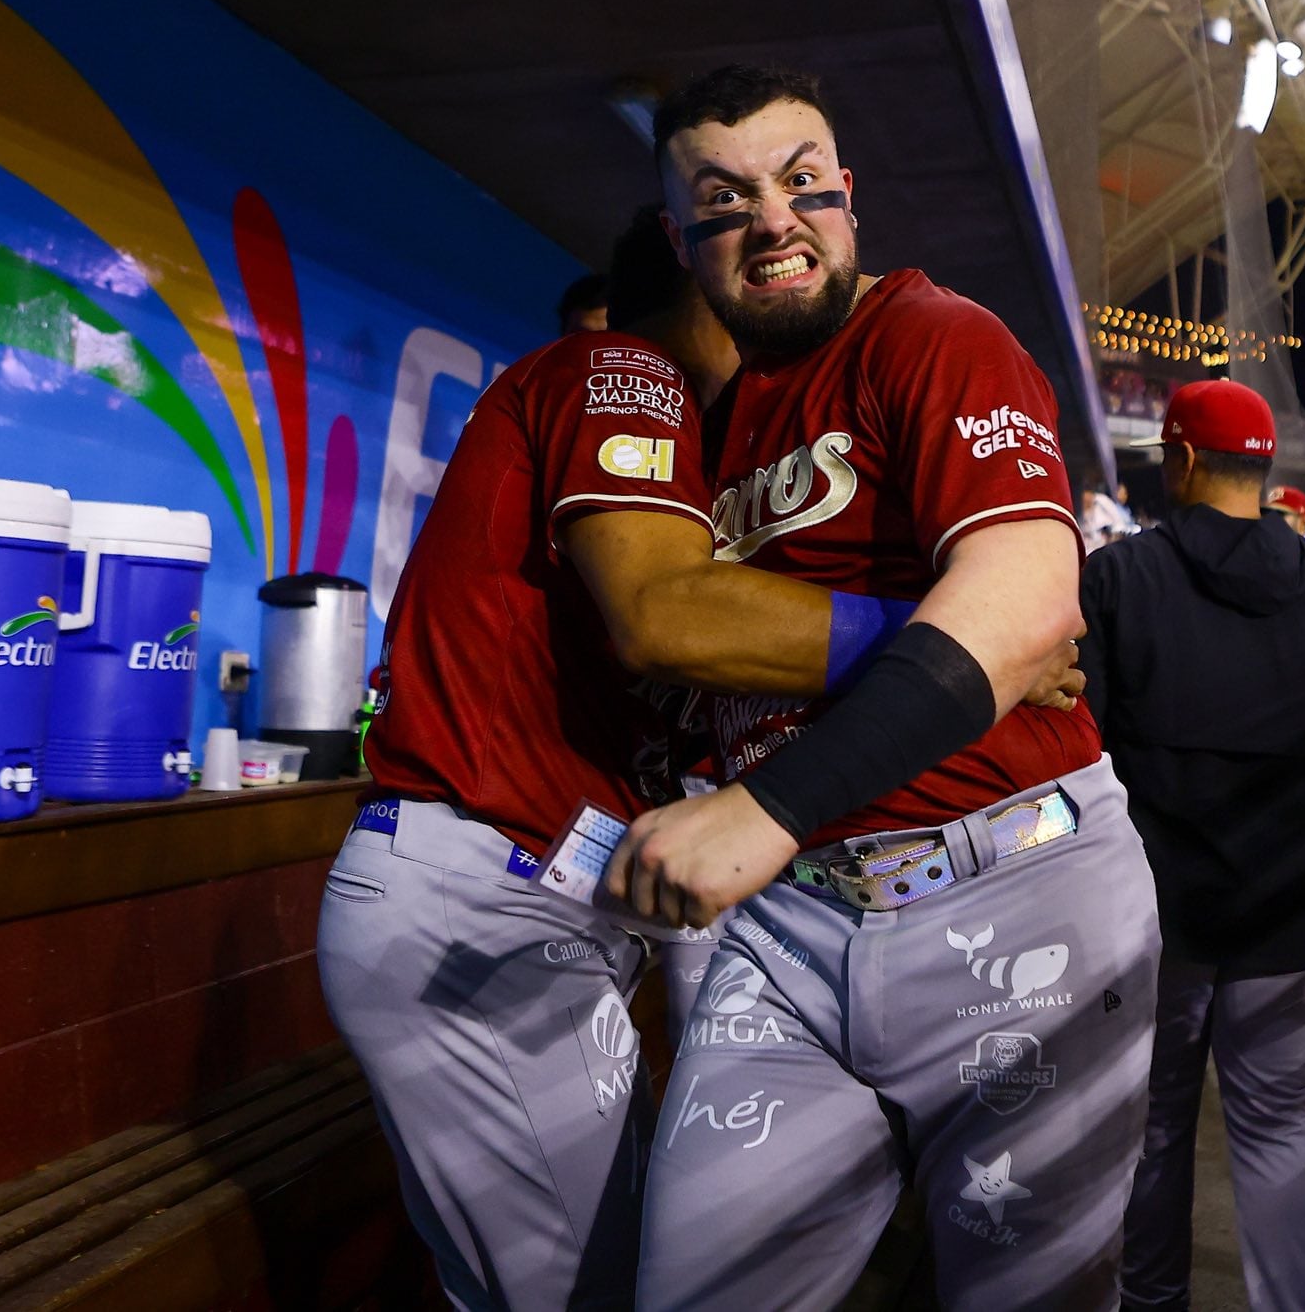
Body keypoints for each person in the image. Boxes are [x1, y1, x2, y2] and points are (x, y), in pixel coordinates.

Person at [318, 204, 1078, 1307]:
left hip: (528, 893)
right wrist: (958, 629)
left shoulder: (666, 427)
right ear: (698, 289)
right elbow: (665, 613)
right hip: (482, 890)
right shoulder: (620, 367)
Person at [609, 63, 1163, 1311]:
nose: (773, 217)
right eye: (727, 195)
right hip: (795, 929)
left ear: (846, 196)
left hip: (1015, 893)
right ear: (682, 239)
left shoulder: (935, 335)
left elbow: (1026, 604)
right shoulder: (723, 417)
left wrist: (761, 810)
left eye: (803, 181)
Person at [1081, 381, 1305, 1312]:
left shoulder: (1123, 577)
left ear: (1178, 461)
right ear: (1262, 472)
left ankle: (1153, 1303)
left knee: (1155, 1127)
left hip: (1159, 912)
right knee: (1278, 1126)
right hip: (1286, 909)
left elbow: (1081, 731)